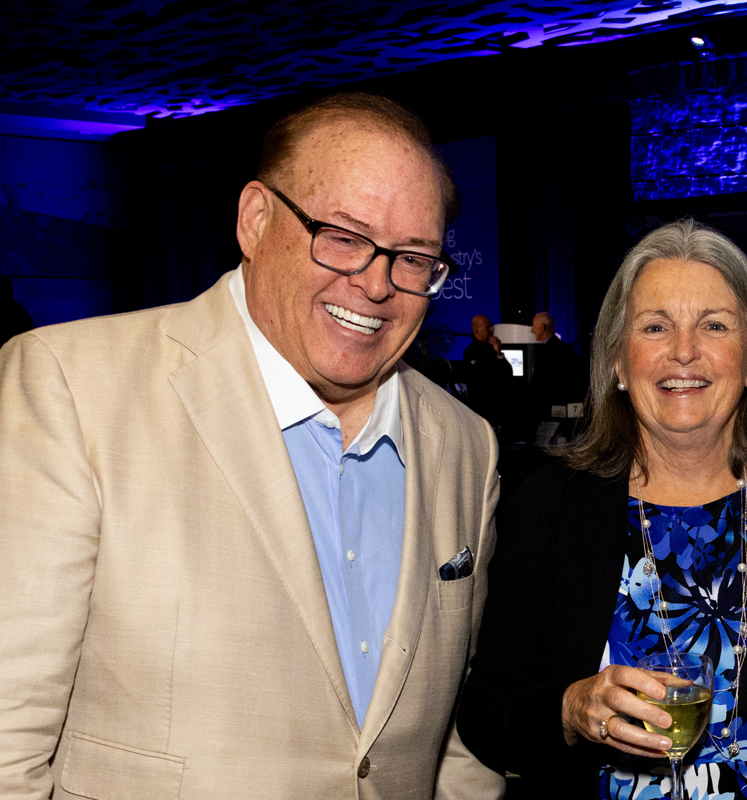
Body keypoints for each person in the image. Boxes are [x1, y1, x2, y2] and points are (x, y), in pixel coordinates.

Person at [0, 92, 505, 798]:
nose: (375, 284)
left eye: (413, 258)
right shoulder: (73, 389)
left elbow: (456, 738)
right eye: (343, 236)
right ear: (255, 220)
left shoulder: (466, 446)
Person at [458, 218, 747, 799]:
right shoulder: (550, 506)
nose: (683, 351)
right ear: (617, 361)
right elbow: (485, 712)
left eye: (714, 325)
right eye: (655, 326)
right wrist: (570, 710)